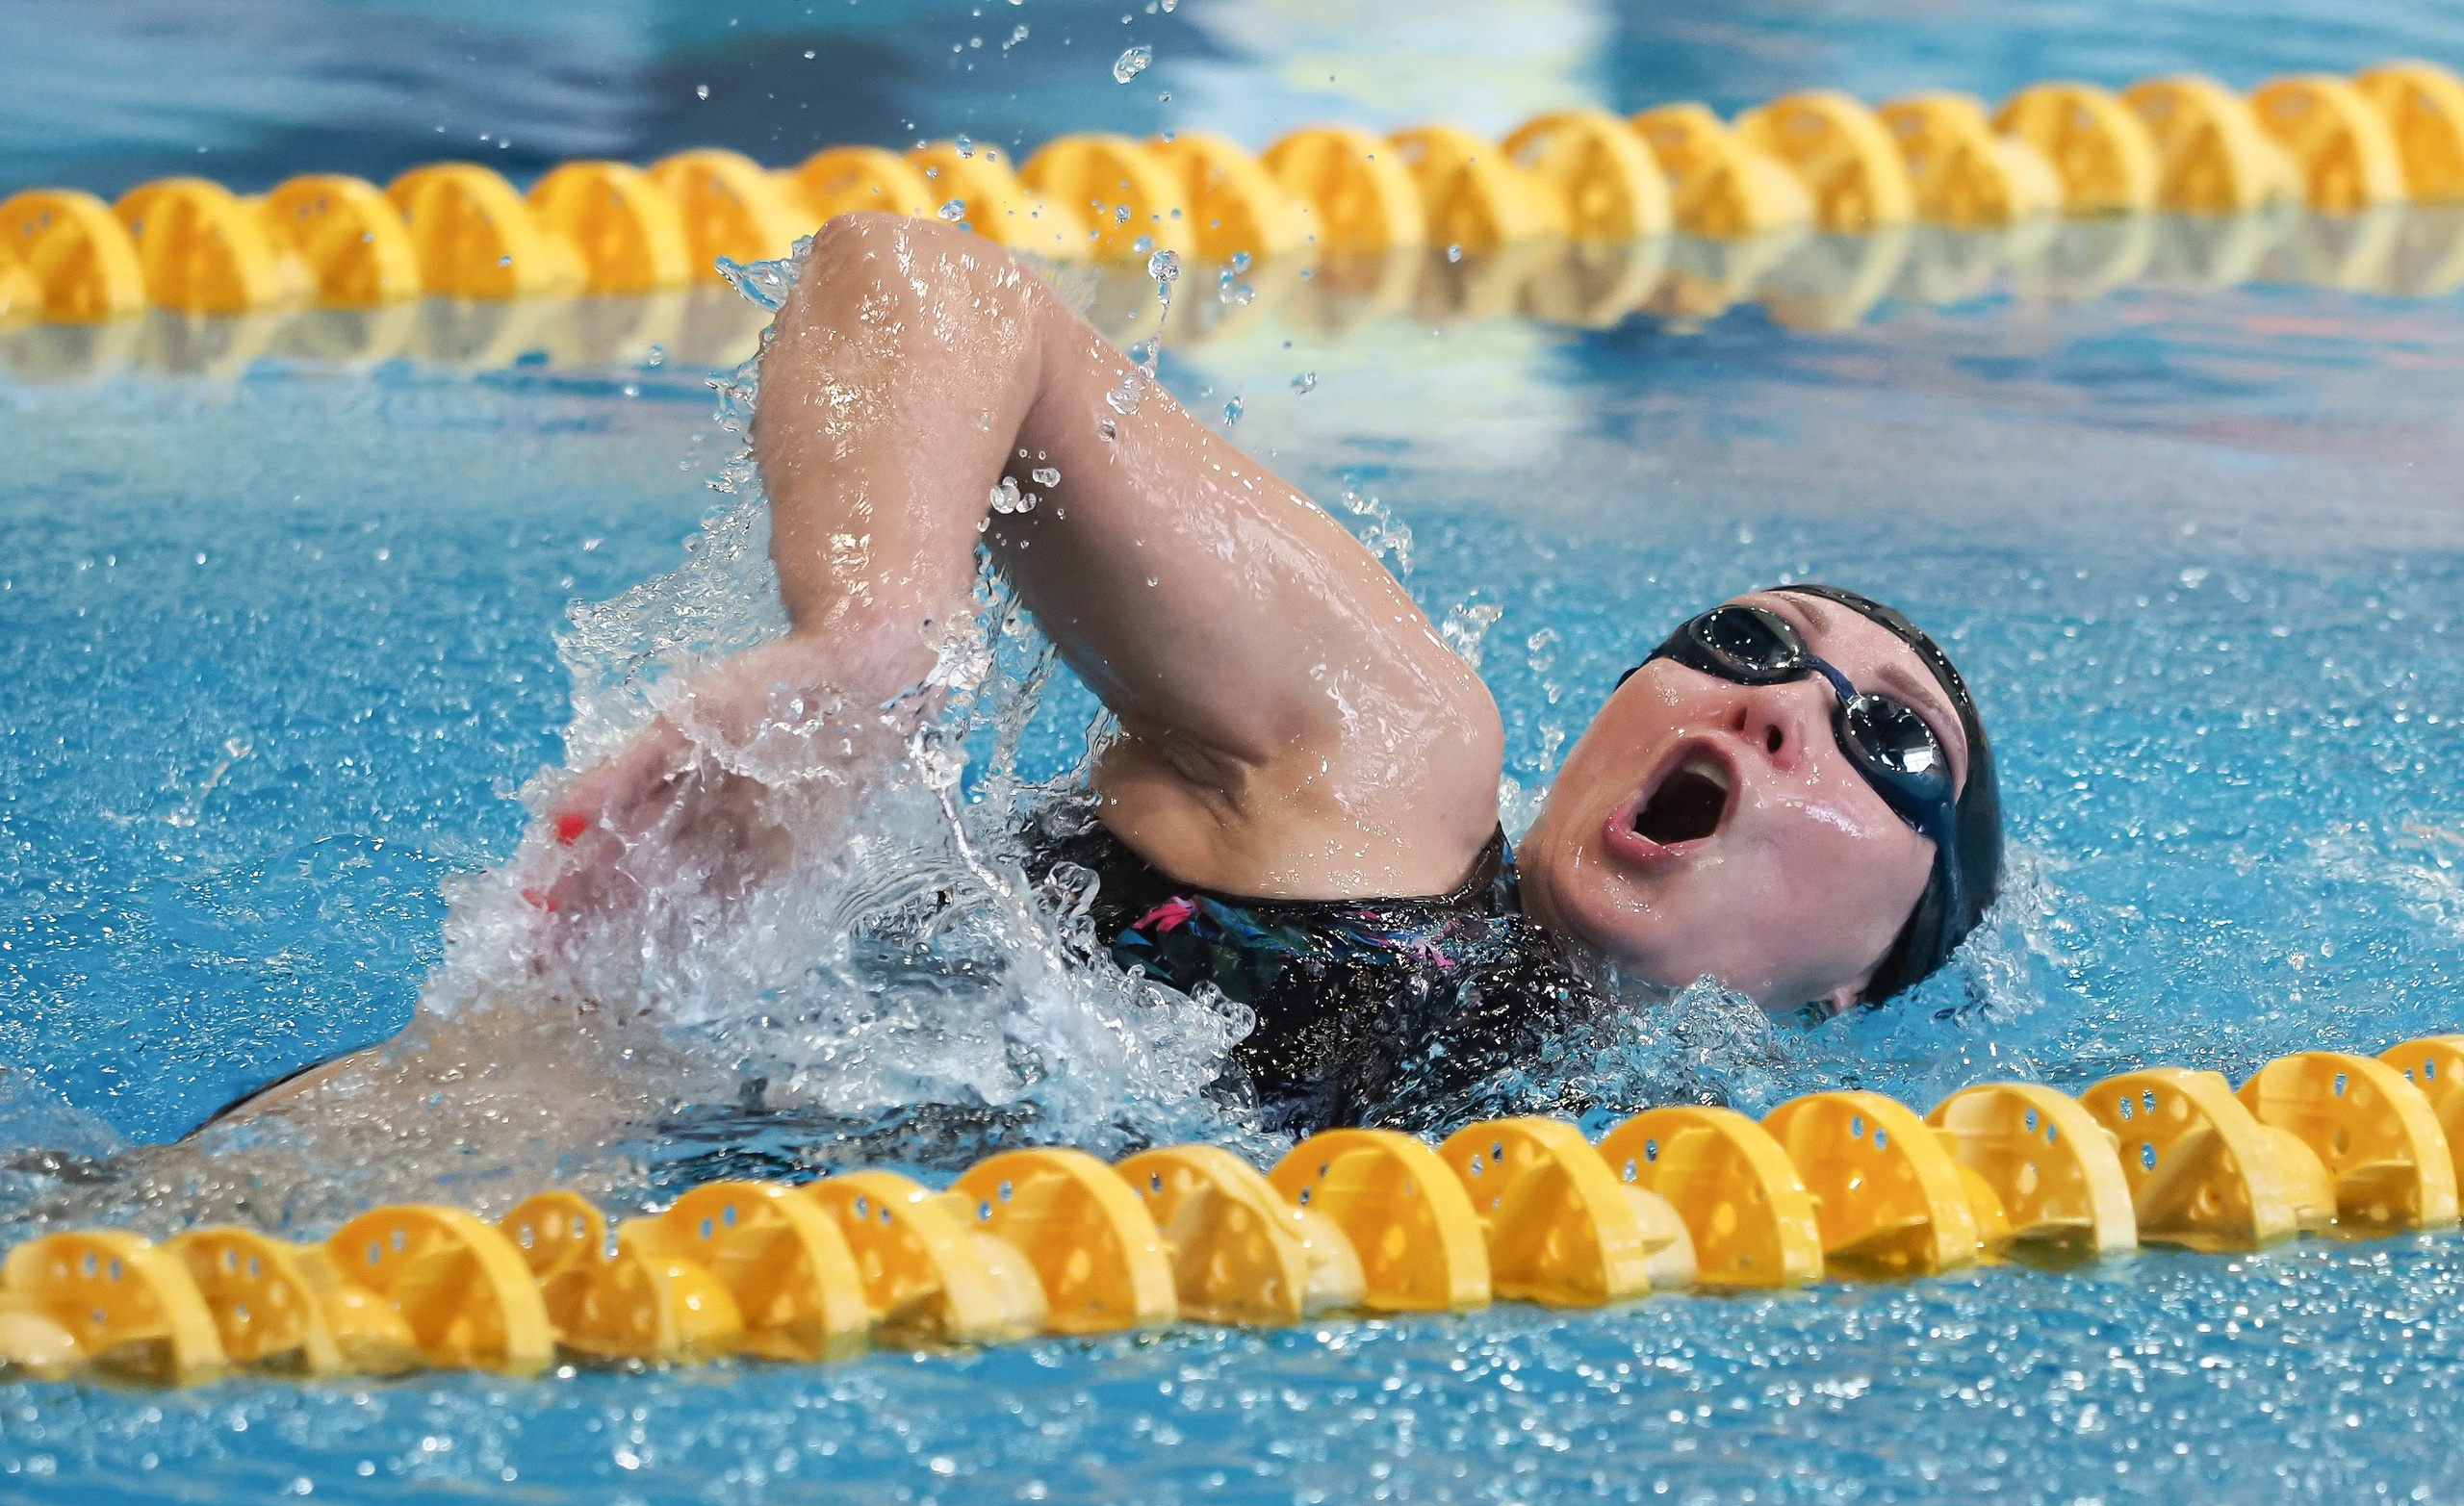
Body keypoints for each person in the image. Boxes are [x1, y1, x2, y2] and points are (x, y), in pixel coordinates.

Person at [229, 210, 2003, 1137]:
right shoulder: (1383, 769)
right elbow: (927, 282)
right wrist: (876, 649)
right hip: (510, 1146)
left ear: (1857, 990)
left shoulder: (1630, 1166)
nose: (1776, 703)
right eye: (1749, 643)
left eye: (1886, 745)